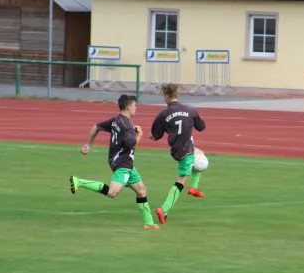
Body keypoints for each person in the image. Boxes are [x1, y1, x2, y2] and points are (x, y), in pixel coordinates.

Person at [69, 94, 159, 230]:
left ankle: (149, 223)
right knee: (112, 193)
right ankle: (79, 182)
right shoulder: (127, 126)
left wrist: (88, 144)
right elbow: (132, 145)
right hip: (122, 164)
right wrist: (139, 134)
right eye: (135, 106)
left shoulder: (116, 120)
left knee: (141, 191)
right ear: (128, 107)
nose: (136, 108)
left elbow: (96, 127)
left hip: (123, 163)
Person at [149, 83, 207, 224]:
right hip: (185, 150)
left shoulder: (163, 114)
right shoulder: (191, 110)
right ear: (177, 95)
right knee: (182, 179)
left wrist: (152, 136)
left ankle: (194, 188)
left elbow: (156, 135)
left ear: (166, 96)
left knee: (200, 155)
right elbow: (201, 127)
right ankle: (164, 210)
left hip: (177, 148)